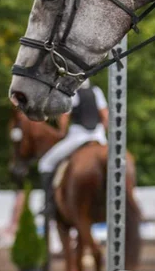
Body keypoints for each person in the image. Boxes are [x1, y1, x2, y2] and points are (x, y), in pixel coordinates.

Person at [37, 79, 109, 235]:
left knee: (45, 163)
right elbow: (105, 116)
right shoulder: (97, 91)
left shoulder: (71, 93)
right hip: (99, 136)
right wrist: (101, 132)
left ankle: (48, 204)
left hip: (78, 136)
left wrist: (62, 132)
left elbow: (64, 118)